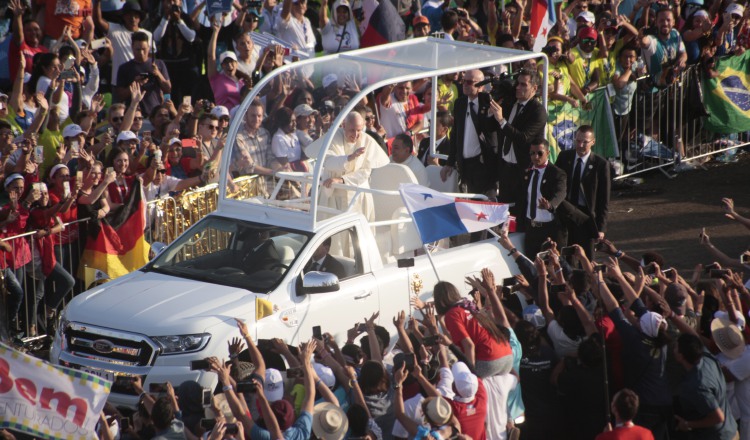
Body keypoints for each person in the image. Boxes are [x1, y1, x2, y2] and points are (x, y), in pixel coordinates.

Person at [308, 112, 389, 222]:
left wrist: (342, 180)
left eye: (359, 130)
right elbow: (328, 162)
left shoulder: (367, 141)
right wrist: (350, 157)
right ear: (344, 126)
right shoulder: (333, 137)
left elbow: (365, 172)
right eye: (352, 130)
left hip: (357, 195)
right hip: (333, 196)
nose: (355, 134)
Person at [490, 69, 547, 203]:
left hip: (522, 169)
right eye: (517, 83)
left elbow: (524, 138)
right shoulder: (510, 103)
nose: (518, 87)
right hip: (505, 167)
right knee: (504, 209)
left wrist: (502, 120)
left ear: (534, 88)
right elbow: (490, 127)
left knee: (519, 212)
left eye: (523, 85)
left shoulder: (537, 111)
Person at [441, 69, 499, 197]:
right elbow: (455, 133)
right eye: (463, 81)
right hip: (465, 164)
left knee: (484, 204)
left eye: (469, 82)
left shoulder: (489, 104)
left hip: (483, 164)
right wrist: (449, 162)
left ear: (481, 85)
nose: (465, 85)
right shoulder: (460, 103)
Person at [556, 125, 611, 259]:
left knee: (586, 257)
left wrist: (601, 228)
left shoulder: (601, 164)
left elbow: (604, 198)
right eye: (578, 140)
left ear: (593, 142)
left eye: (585, 142)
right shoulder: (564, 157)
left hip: (586, 216)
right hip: (566, 211)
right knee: (565, 254)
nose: (580, 145)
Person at [674, 332, 738, 440]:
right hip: (731, 431)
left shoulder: (697, 386)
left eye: (675, 347)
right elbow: (692, 335)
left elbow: (718, 417)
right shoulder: (708, 359)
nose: (673, 349)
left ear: (681, 356)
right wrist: (672, 316)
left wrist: (687, 424)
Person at [515, 139, 567, 256]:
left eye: (539, 153)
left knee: (552, 266)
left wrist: (550, 205)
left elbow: (560, 193)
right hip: (531, 228)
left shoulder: (557, 173)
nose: (535, 157)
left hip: (549, 229)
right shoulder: (527, 172)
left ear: (548, 153)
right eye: (532, 153)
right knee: (532, 265)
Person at [93, 1, 152, 88]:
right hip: (120, 83)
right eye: (129, 15)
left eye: (136, 15)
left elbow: (150, 59)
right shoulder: (114, 31)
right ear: (123, 16)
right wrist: (97, 2)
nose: (132, 18)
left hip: (142, 80)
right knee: (118, 102)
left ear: (140, 18)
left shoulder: (148, 35)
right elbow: (98, 20)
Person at [116, 32, 171, 115]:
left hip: (155, 113)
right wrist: (135, 84)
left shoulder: (159, 64)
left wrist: (158, 74)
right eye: (138, 49)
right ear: (132, 48)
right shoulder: (124, 68)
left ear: (149, 48)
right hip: (134, 114)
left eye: (144, 49)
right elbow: (120, 96)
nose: (141, 52)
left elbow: (168, 89)